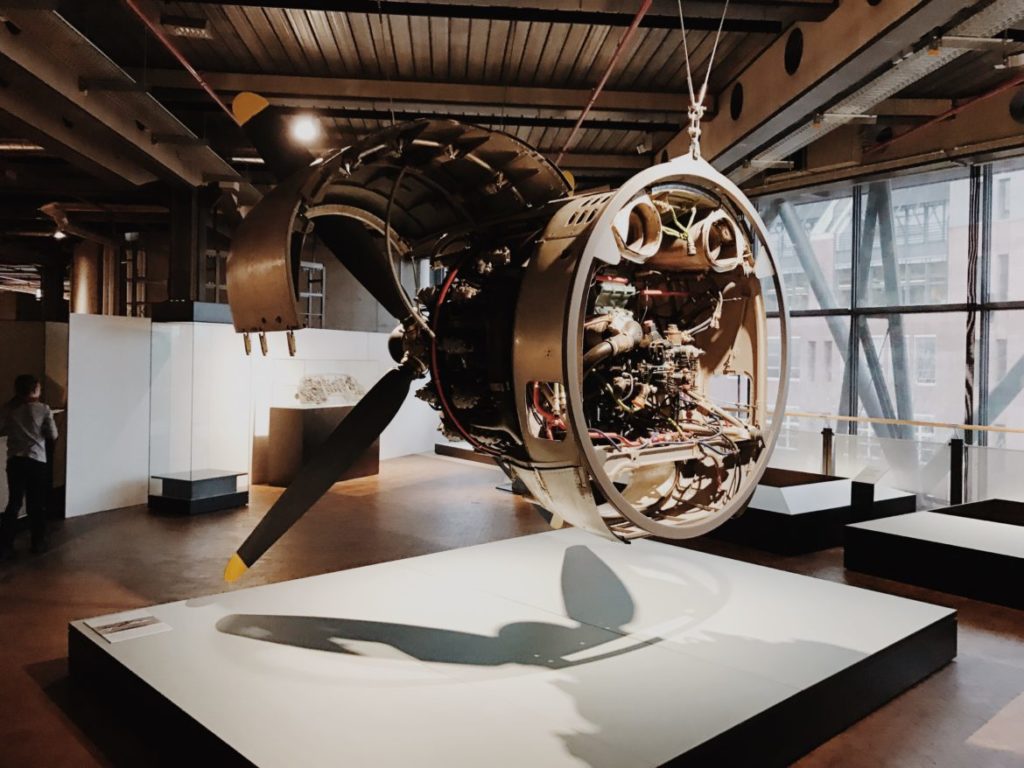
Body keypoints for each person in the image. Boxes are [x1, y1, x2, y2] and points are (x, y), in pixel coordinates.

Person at [0, 374, 58, 557]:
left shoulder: (8, 409)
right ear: (35, 389)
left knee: (14, 502)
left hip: (15, 461)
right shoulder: (43, 409)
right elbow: (53, 434)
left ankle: (5, 544)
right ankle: (37, 542)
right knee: (36, 503)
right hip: (36, 461)